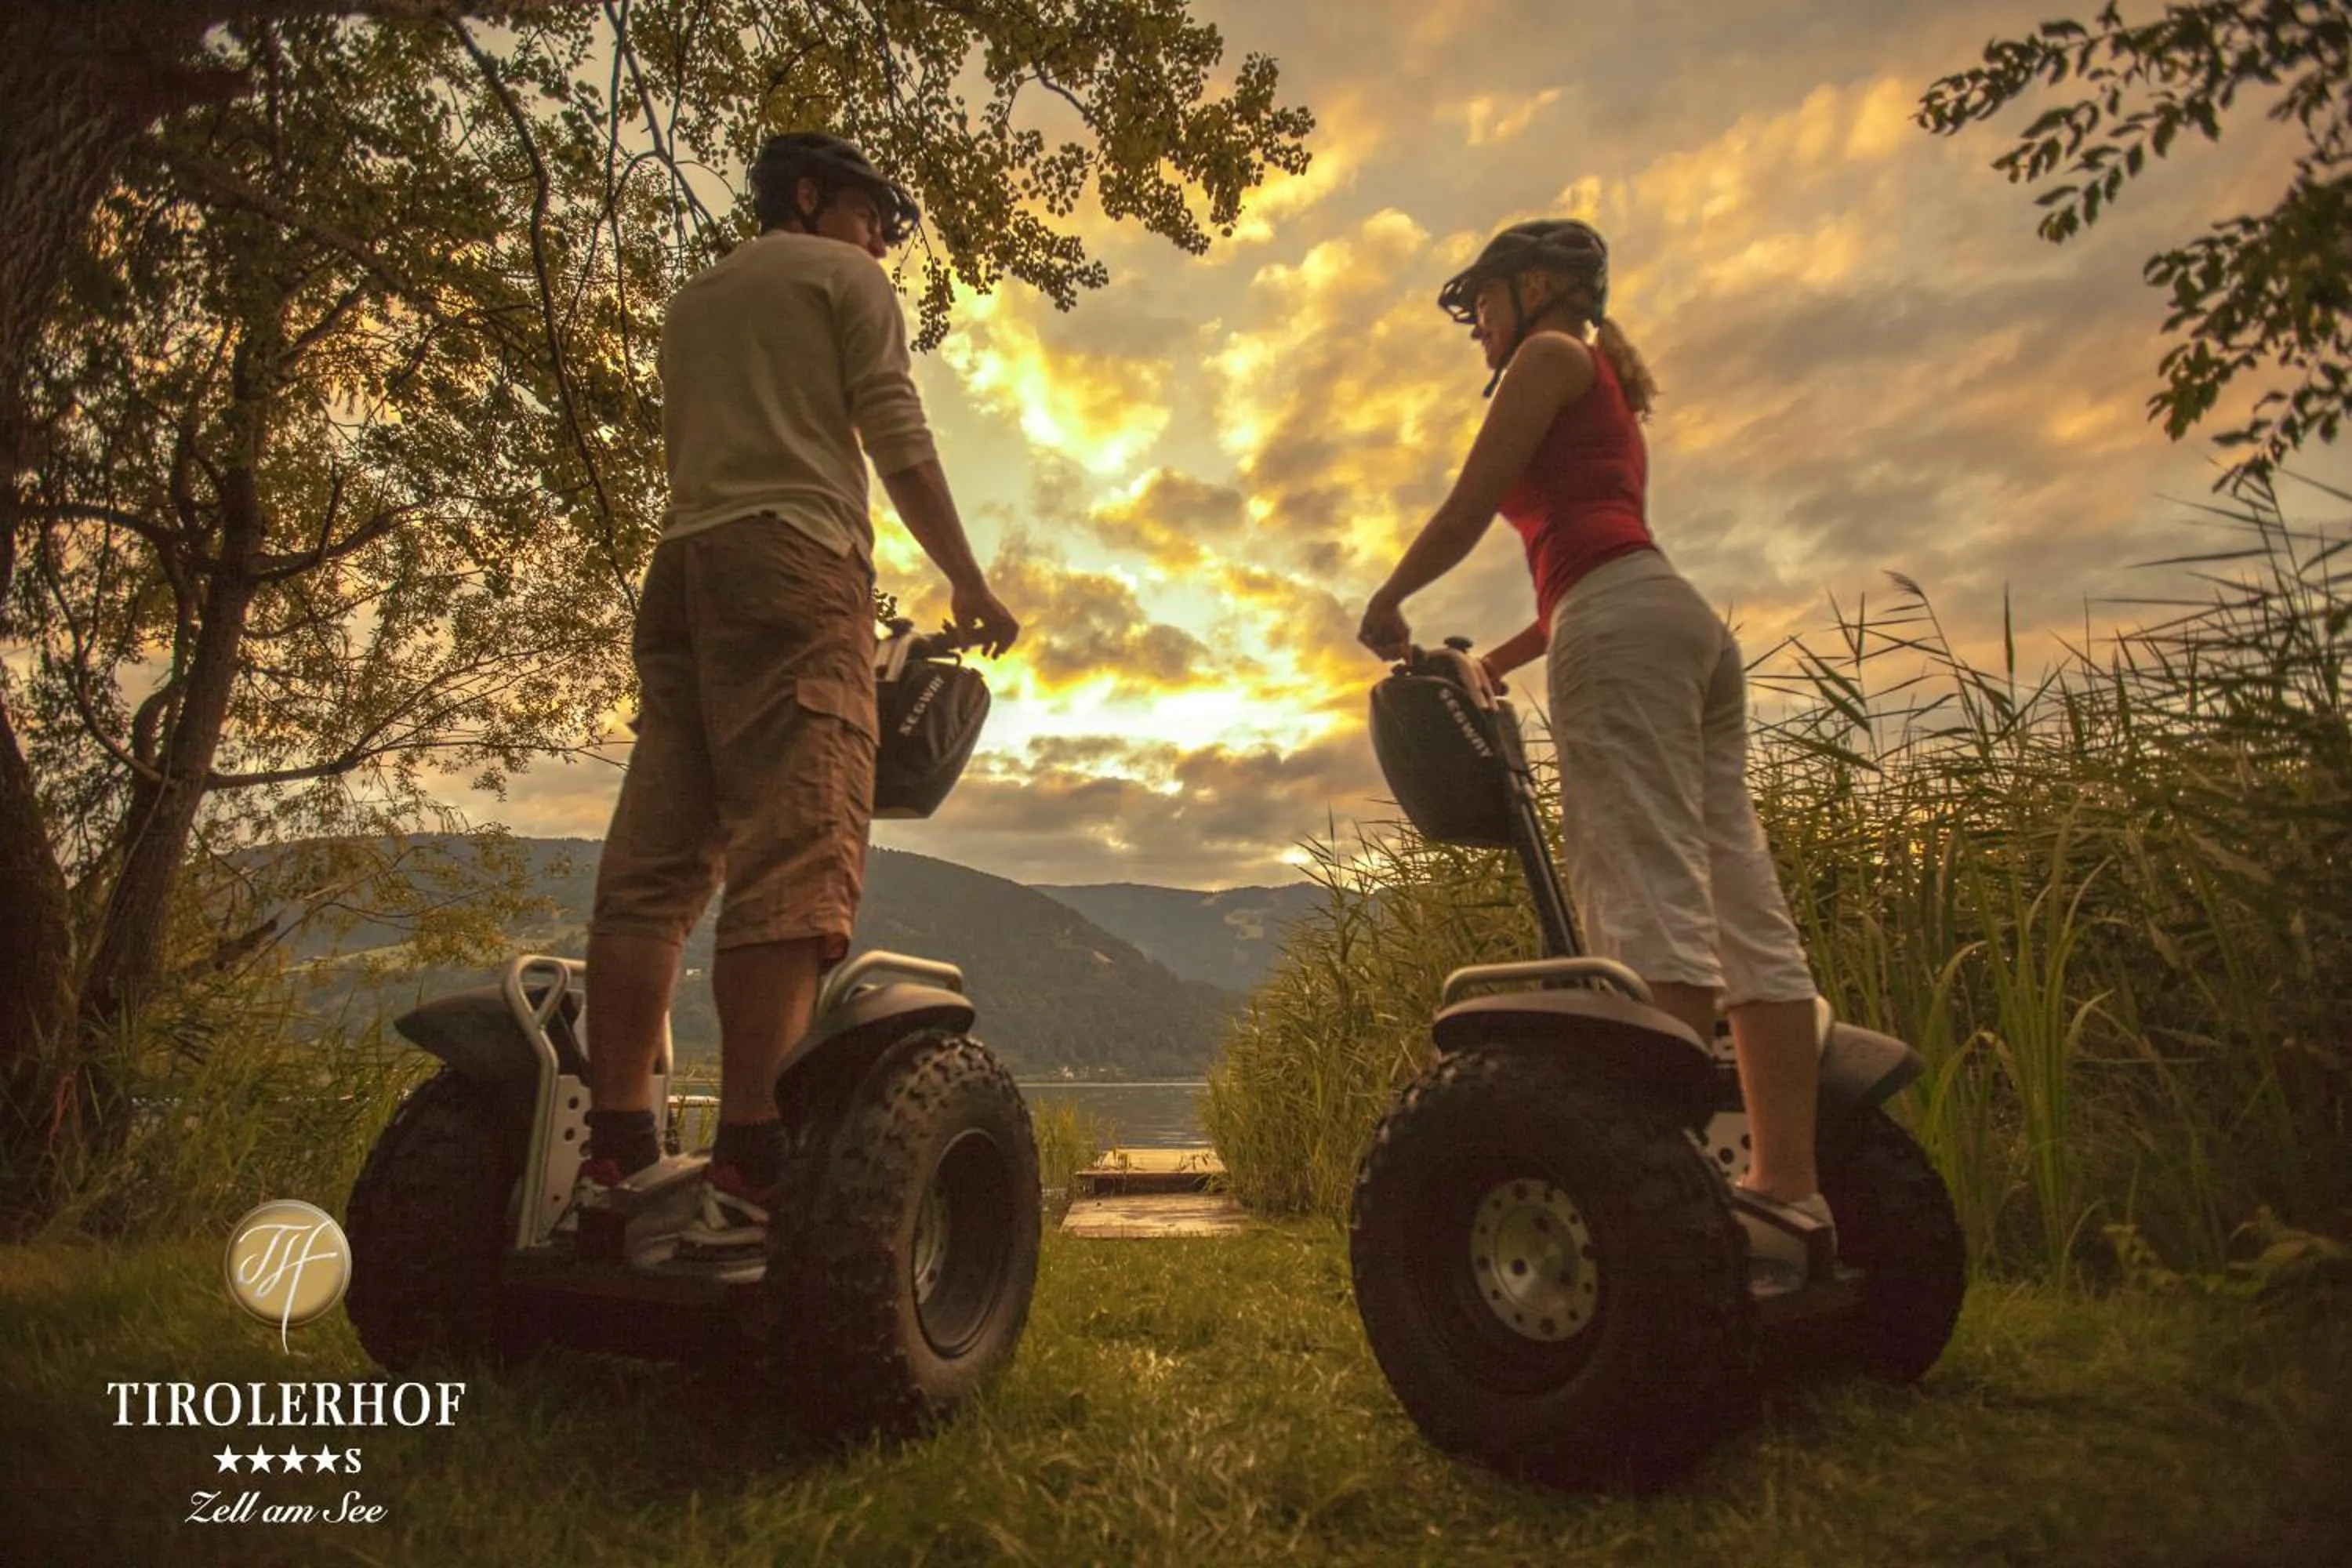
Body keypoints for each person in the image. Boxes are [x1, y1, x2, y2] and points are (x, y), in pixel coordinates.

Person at [1356, 219, 1832, 1289]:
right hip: (1670, 623)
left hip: (1619, 626)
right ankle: (1786, 1189)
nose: (1477, 329)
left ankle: (1663, 1202)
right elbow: (1585, 558)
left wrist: (1392, 596)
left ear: (1537, 287)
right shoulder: (1601, 381)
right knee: (1739, 901)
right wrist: (1509, 658)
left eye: (1482, 303)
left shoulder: (1550, 355)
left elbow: (1477, 501)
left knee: (1640, 890)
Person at [578, 131, 1019, 1267]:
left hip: (683, 571)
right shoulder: (844, 277)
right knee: (797, 849)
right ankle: (748, 1168)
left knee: (658, 865)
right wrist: (966, 580)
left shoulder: (694, 301)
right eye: (874, 212)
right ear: (813, 196)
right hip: (795, 564)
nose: (883, 239)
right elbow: (893, 429)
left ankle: (615, 1153)